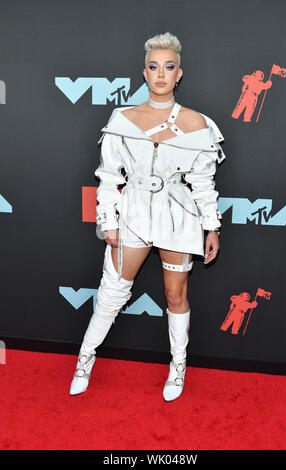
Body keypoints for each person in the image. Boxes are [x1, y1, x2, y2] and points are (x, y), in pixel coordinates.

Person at [70, 32, 226, 401]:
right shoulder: (122, 119)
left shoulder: (196, 123)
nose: (161, 74)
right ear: (144, 73)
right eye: (154, 67)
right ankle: (84, 360)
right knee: (111, 294)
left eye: (168, 67)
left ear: (179, 74)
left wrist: (211, 226)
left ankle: (177, 368)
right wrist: (107, 220)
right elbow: (108, 176)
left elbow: (203, 182)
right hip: (134, 213)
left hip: (178, 215)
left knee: (176, 296)